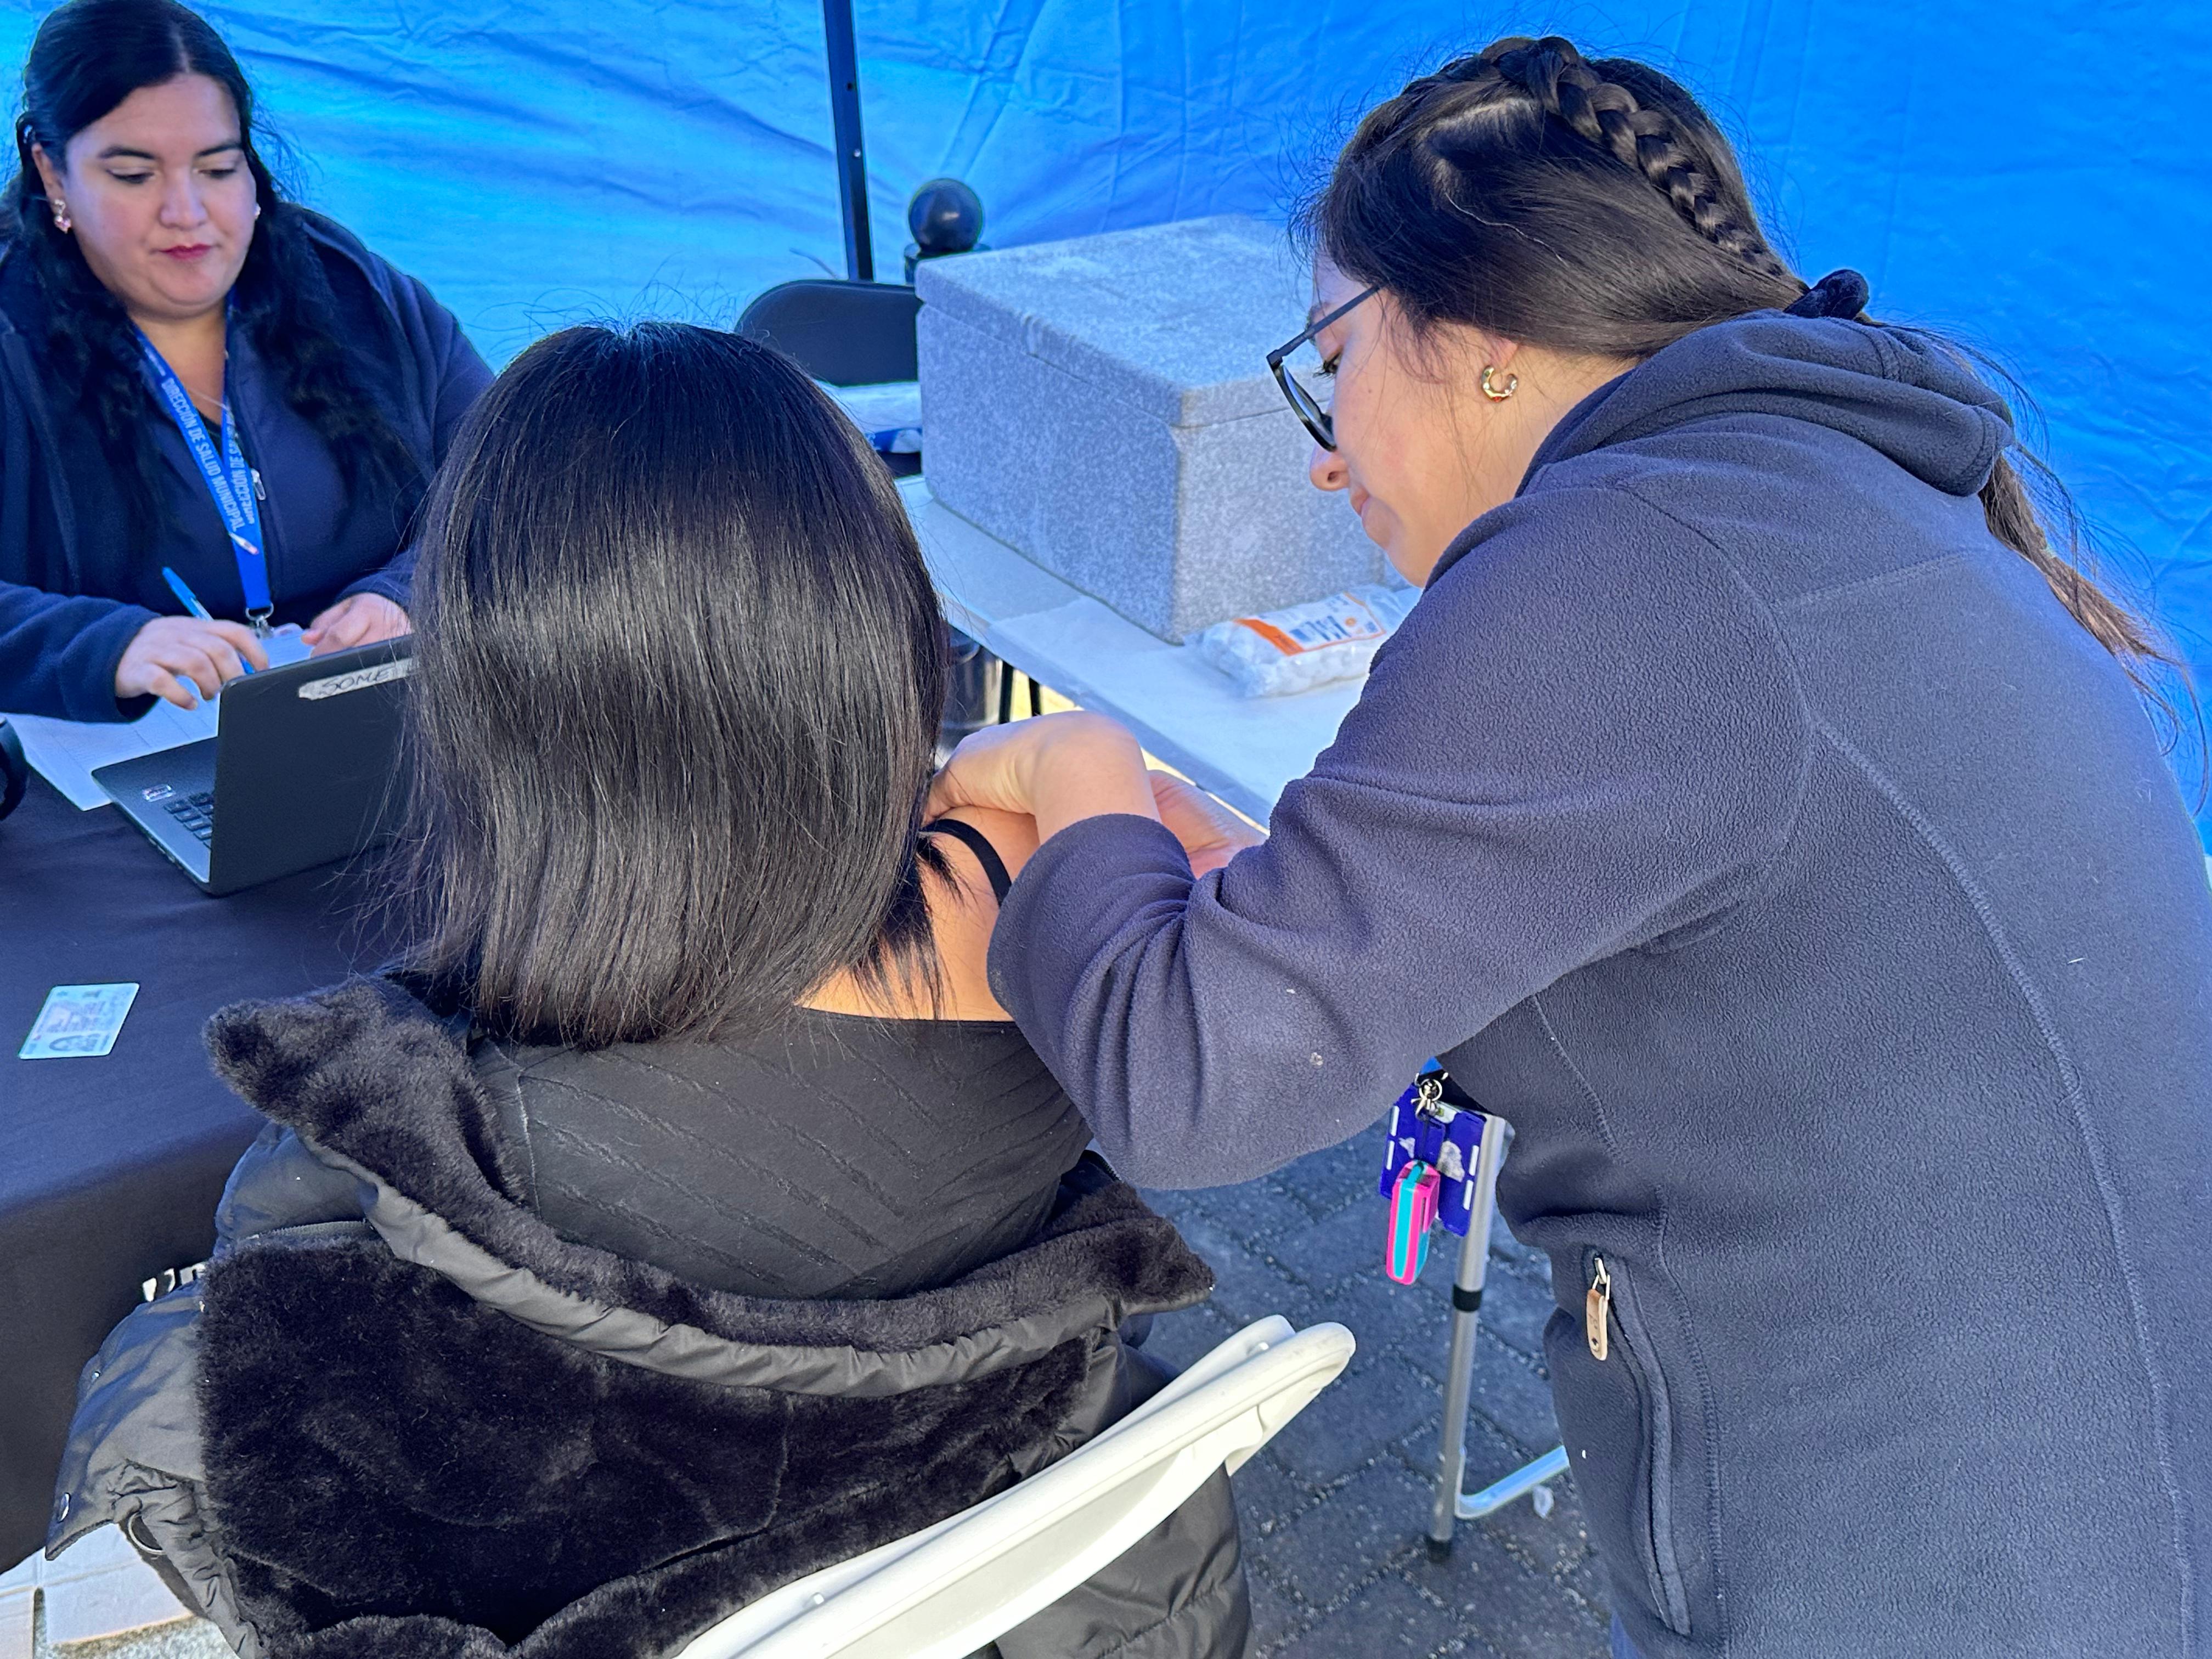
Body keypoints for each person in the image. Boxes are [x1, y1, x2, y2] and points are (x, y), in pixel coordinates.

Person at [930, 36, 2212, 1659]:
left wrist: (1084, 770)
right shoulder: (1823, 490)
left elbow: (1188, 1080)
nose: (1324, 451)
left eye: (1331, 359)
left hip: (1924, 1559)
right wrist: (1285, 892)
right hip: (2099, 1492)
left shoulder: (1622, 562)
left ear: (1476, 345)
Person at [46, 324, 1252, 1658]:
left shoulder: (418, 1146)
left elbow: (213, 1458)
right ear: (881, 645)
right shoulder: (1043, 928)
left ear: (490, 716)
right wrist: (1087, 766)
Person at [0, 0, 492, 722]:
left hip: (378, 724)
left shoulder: (351, 289)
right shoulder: (13, 332)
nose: (187, 211)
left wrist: (408, 592)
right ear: (53, 174)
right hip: (105, 756)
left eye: (218, 168)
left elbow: (517, 482)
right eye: (134, 175)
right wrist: (107, 647)